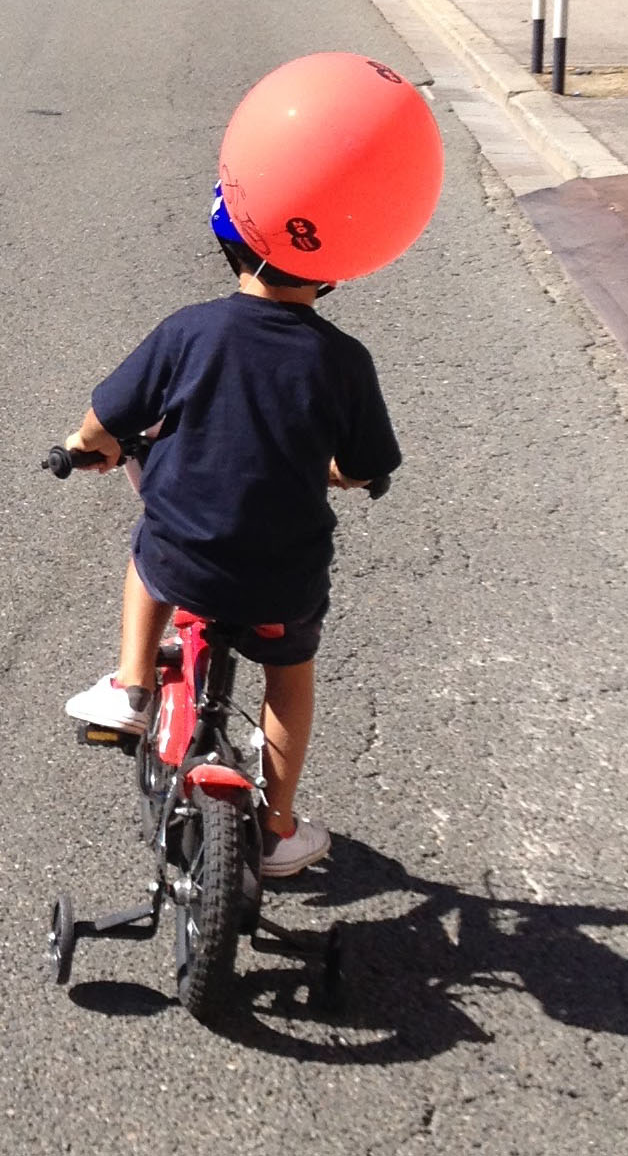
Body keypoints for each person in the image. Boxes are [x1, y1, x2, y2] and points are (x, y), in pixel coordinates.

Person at [59, 185, 402, 880]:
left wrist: (80, 445)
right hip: (283, 584)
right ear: (335, 267)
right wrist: (339, 473)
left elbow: (107, 419)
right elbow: (366, 466)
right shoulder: (344, 360)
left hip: (187, 560)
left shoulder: (189, 330)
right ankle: (276, 829)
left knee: (151, 549)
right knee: (289, 676)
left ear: (231, 246)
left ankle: (130, 688)